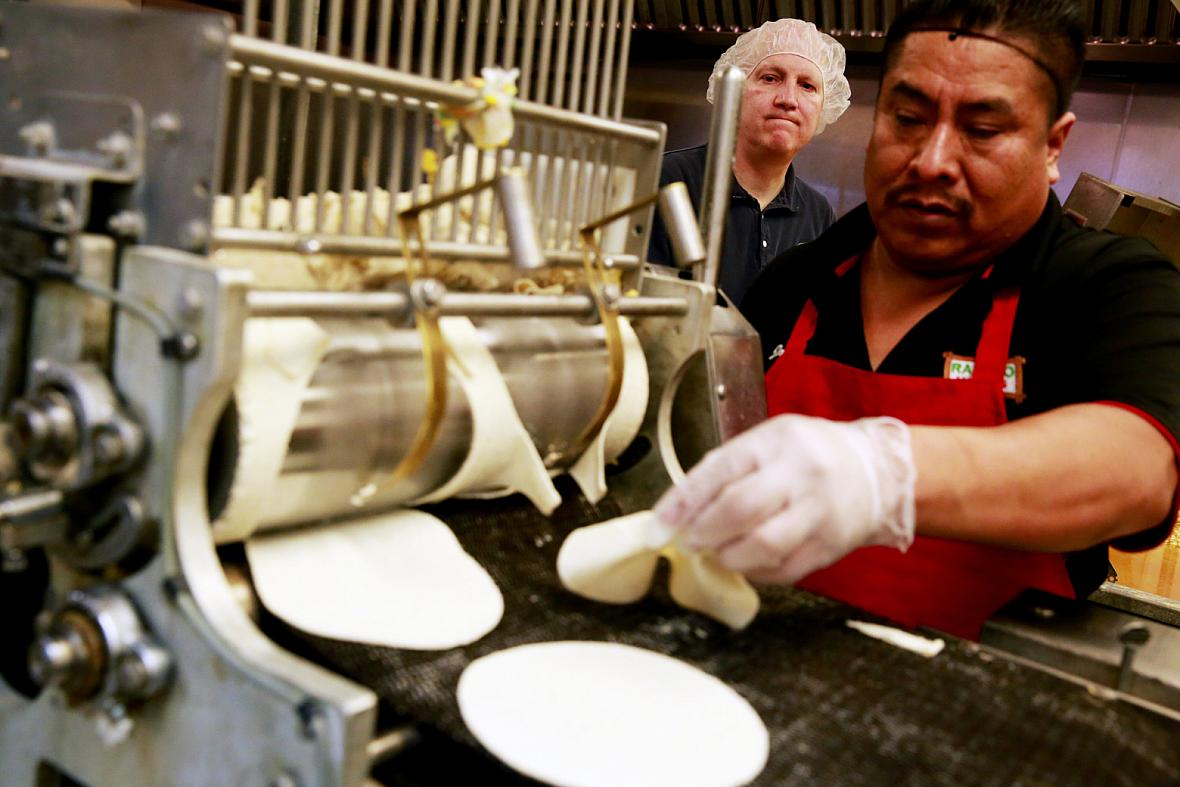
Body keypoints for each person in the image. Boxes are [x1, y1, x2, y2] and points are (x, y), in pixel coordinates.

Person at [653, 0, 1180, 641]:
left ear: (1052, 146)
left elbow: (1139, 471)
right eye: (908, 117)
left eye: (982, 129)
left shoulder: (1104, 285)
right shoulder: (799, 279)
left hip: (977, 700)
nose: (931, 159)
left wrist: (880, 472)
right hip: (765, 670)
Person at [646, 18, 851, 307]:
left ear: (823, 109)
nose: (788, 99)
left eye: (807, 86)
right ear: (735, 91)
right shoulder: (666, 181)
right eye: (770, 78)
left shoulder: (818, 214)